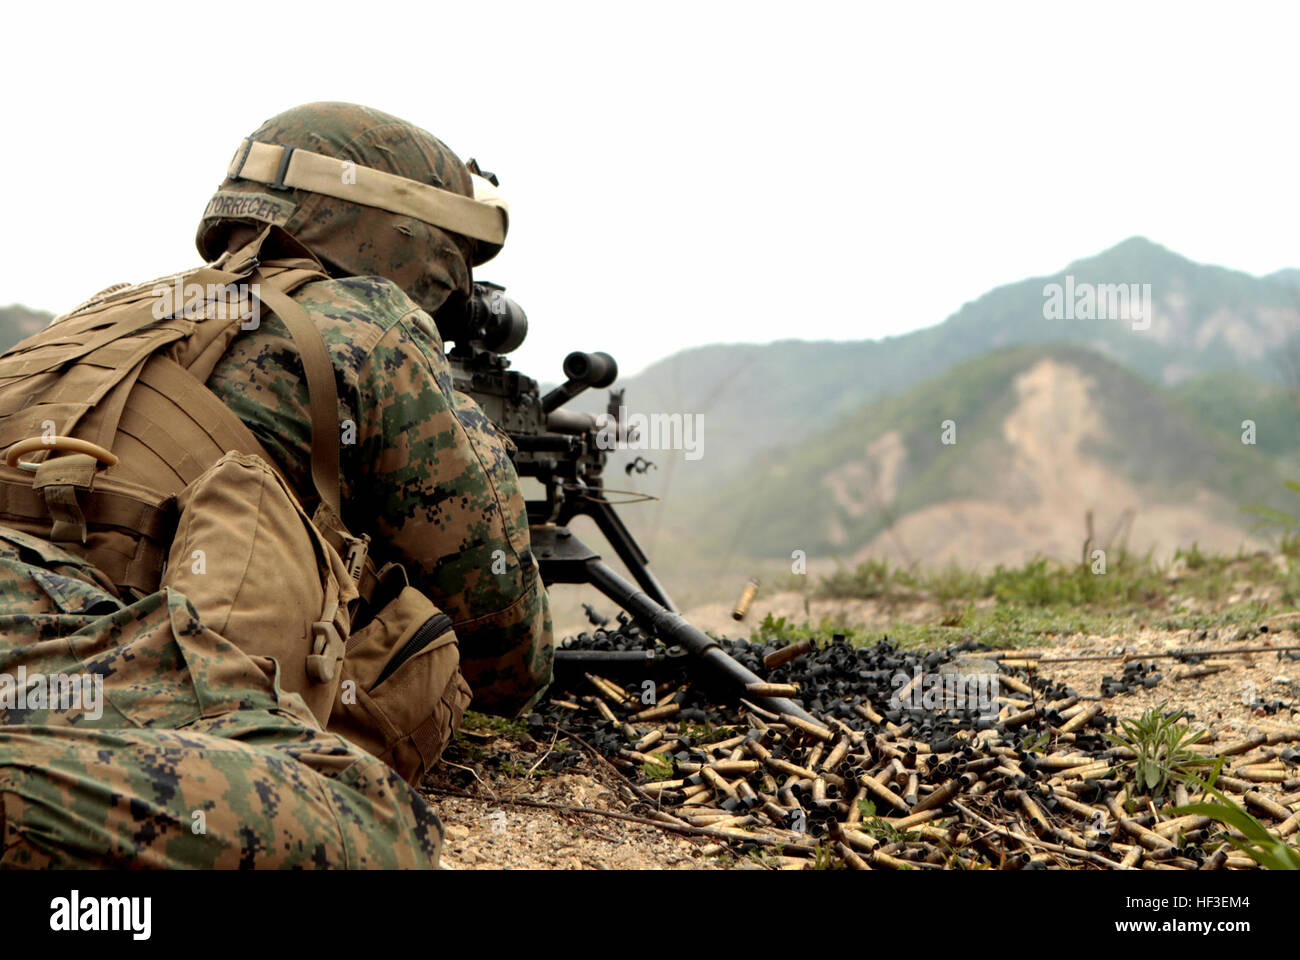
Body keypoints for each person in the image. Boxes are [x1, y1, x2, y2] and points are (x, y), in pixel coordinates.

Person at [0, 102, 553, 867]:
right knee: (376, 832)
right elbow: (507, 657)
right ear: (405, 234)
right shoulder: (368, 325)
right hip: (53, 649)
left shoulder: (115, 314)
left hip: (48, 624)